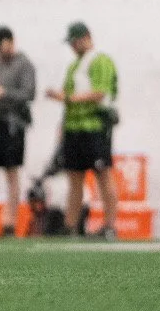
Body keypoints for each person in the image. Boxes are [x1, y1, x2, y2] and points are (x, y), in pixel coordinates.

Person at [46, 22, 118, 240]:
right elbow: (70, 98)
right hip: (74, 128)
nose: (72, 46)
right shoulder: (74, 66)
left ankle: (109, 225)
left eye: (74, 41)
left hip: (94, 127)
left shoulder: (100, 61)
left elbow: (99, 93)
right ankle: (71, 225)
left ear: (85, 37)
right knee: (74, 177)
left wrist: (67, 99)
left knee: (102, 174)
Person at [0, 26, 35, 237]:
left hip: (12, 124)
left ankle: (10, 221)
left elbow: (29, 93)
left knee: (11, 172)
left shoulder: (24, 64)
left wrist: (4, 93)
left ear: (10, 42)